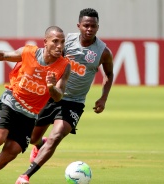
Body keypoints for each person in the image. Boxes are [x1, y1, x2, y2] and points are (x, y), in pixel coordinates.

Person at [0, 26, 71, 184]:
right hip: (10, 103)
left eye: (62, 42)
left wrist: (52, 87)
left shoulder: (64, 66)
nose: (60, 46)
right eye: (55, 41)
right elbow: (2, 55)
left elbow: (59, 96)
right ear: (45, 42)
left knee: (11, 153)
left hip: (29, 115)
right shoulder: (28, 52)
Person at [15, 8, 114, 184]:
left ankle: (25, 176)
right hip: (52, 95)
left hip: (74, 102)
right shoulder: (65, 41)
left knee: (56, 136)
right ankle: (39, 144)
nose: (89, 29)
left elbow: (109, 74)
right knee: (33, 138)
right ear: (79, 26)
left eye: (93, 26)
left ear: (98, 27)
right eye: (86, 25)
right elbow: (49, 59)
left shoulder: (103, 51)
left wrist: (103, 97)